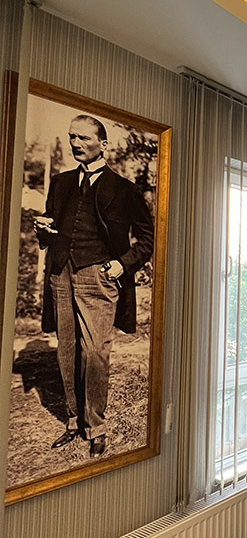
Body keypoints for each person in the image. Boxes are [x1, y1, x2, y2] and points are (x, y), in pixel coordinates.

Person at [34, 114, 154, 457]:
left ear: (103, 144)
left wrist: (121, 265)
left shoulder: (125, 190)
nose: (76, 143)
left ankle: (96, 426)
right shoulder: (60, 183)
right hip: (61, 274)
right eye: (72, 137)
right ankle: (74, 421)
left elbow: (147, 240)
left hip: (99, 277)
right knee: (67, 350)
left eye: (83, 138)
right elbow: (52, 229)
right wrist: (44, 231)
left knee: (96, 352)